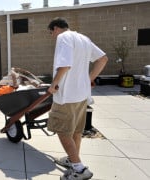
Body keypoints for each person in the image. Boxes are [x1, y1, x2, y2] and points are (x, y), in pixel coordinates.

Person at [46, 17, 108, 180]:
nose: (52, 36)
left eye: (51, 32)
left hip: (66, 95)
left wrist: (54, 84)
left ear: (56, 28)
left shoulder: (63, 37)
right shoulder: (83, 38)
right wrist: (88, 79)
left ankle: (79, 169)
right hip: (82, 95)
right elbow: (103, 59)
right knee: (76, 130)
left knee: (62, 130)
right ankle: (72, 159)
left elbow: (65, 64)